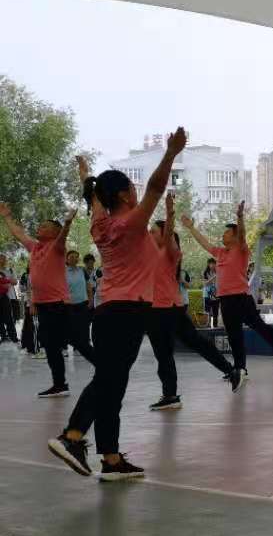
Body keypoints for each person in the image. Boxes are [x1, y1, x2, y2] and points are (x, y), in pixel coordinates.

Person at [48, 130, 189, 481]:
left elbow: (92, 194)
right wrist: (171, 153)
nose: (137, 191)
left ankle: (111, 459)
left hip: (108, 312)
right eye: (131, 187)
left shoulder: (100, 222)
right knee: (110, 380)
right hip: (128, 311)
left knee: (113, 384)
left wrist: (85, 173)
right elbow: (156, 187)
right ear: (125, 195)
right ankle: (72, 436)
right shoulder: (131, 222)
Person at [145, 194, 243, 410]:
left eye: (153, 231)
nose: (150, 234)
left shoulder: (171, 252)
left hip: (168, 309)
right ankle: (171, 395)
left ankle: (230, 371)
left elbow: (169, 236)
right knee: (165, 354)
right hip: (154, 310)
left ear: (165, 235)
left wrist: (170, 214)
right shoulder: (149, 254)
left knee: (192, 344)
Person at [182, 202, 273, 376]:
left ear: (235, 236)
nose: (223, 235)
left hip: (241, 298)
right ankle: (240, 368)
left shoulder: (241, 249)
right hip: (225, 300)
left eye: (227, 232)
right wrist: (191, 228)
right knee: (234, 335)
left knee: (259, 327)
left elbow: (242, 233)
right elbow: (204, 243)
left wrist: (240, 217)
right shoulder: (220, 252)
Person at [1, 202, 95, 396]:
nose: (39, 227)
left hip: (58, 305)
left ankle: (108, 370)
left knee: (77, 341)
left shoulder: (57, 247)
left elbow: (63, 236)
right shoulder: (35, 248)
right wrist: (6, 216)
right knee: (50, 345)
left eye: (44, 226)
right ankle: (60, 385)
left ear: (54, 232)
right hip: (44, 306)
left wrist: (67, 223)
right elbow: (19, 234)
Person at [0, 254, 16, 343]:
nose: (3, 261)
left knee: (9, 317)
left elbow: (15, 281)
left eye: (4, 259)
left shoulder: (9, 270)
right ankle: (3, 336)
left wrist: (7, 283)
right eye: (1, 259)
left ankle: (13, 337)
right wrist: (8, 282)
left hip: (7, 296)